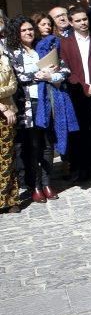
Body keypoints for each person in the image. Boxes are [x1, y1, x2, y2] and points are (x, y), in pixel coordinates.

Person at [7, 16, 77, 203]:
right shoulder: (12, 52)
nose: (29, 32)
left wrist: (52, 76)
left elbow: (65, 70)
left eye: (30, 29)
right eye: (24, 30)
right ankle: (36, 185)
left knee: (47, 145)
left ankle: (47, 183)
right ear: (16, 33)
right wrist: (44, 74)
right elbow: (19, 76)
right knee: (33, 146)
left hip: (48, 102)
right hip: (28, 105)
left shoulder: (42, 47)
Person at [61, 6, 91, 183]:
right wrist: (83, 87)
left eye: (85, 19)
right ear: (71, 23)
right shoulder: (64, 44)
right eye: (78, 20)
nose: (83, 23)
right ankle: (83, 170)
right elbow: (65, 70)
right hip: (77, 95)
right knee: (80, 133)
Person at [0, 53, 20, 213]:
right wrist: (2, 107)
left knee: (8, 156)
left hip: (8, 115)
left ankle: (11, 198)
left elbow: (13, 86)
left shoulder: (4, 59)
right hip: (4, 110)